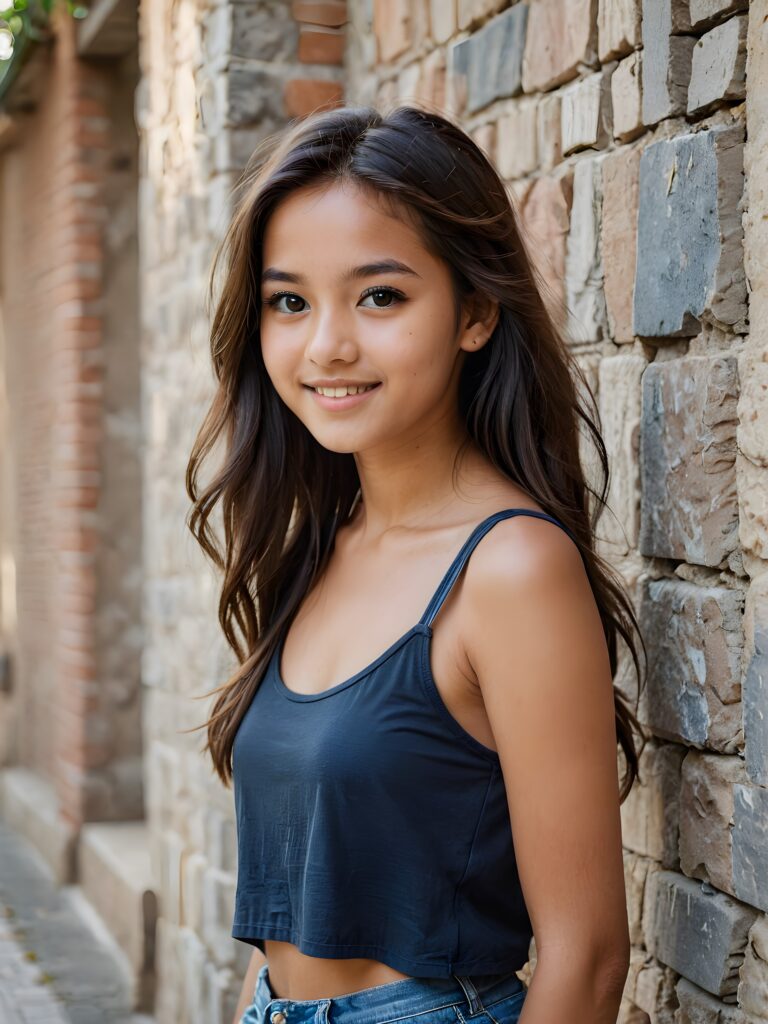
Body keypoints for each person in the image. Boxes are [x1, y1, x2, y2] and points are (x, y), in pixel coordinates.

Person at [185, 104, 647, 1024]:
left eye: (380, 296)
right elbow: (291, 910)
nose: (327, 346)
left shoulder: (511, 569)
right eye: (290, 301)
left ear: (474, 312)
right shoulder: (323, 546)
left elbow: (588, 958)